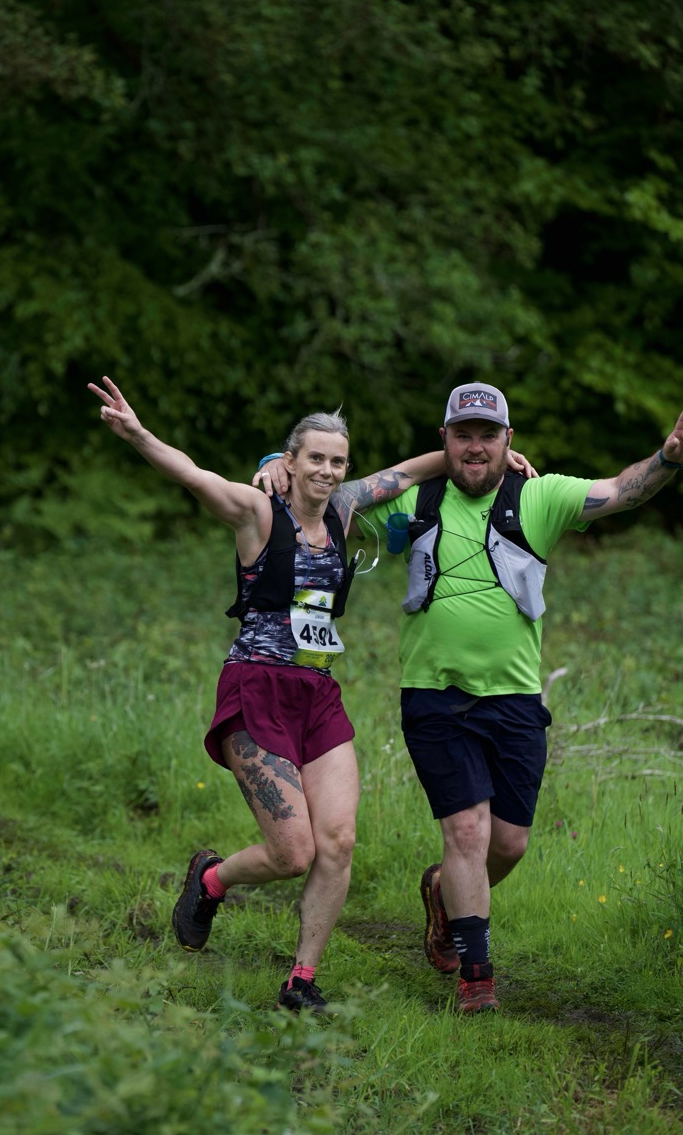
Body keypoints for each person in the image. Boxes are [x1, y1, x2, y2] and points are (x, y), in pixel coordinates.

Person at [87, 374, 511, 1014]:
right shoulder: (259, 512)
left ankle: (301, 980)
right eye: (315, 458)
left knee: (337, 843)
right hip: (256, 688)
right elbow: (193, 475)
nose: (327, 471)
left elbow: (408, 471)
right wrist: (138, 433)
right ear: (290, 461)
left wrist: (494, 456)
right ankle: (211, 878)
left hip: (318, 695)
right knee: (293, 853)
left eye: (338, 462)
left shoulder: (343, 510)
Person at [259, 381, 683, 1013]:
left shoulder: (537, 496)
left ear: (509, 439)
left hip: (515, 699)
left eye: (489, 435)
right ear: (445, 439)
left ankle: (443, 895)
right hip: (434, 695)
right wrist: (277, 462)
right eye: (464, 435)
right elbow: (328, 495)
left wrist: (669, 456)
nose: (476, 447)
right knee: (466, 831)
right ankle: (476, 978)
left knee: (507, 844)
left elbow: (622, 491)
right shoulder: (417, 497)